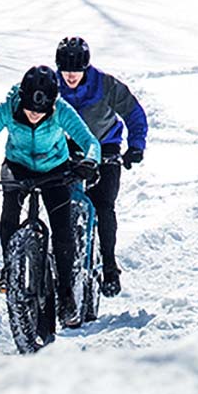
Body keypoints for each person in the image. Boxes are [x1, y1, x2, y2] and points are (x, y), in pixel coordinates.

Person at [0, 65, 101, 327]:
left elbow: (90, 142)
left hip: (55, 170)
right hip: (18, 167)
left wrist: (89, 163)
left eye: (41, 111)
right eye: (29, 110)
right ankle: (10, 268)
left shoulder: (61, 111)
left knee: (62, 231)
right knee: (10, 215)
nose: (35, 115)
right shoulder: (7, 108)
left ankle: (67, 294)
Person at [53, 37, 148, 297]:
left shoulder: (106, 86)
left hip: (104, 146)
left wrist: (136, 145)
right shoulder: (52, 86)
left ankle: (108, 265)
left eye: (76, 71)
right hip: (66, 148)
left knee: (103, 205)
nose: (71, 76)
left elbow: (134, 113)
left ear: (86, 68)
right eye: (66, 71)